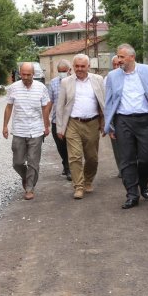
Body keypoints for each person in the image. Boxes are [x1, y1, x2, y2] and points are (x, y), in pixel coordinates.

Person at [104, 44, 148, 209]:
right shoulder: (112, 76)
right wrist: (109, 125)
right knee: (127, 159)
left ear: (132, 57)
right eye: (118, 57)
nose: (119, 60)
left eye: (122, 57)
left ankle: (143, 183)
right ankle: (132, 194)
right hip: (122, 120)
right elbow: (109, 102)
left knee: (146, 159)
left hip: (144, 120)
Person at [56, 54, 106, 199]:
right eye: (77, 66)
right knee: (75, 157)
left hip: (92, 123)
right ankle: (78, 186)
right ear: (73, 67)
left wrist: (104, 123)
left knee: (92, 158)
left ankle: (88, 180)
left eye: (82, 66)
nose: (79, 69)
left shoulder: (98, 80)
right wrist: (60, 128)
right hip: (73, 123)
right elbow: (60, 106)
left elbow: (103, 103)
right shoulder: (66, 82)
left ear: (88, 67)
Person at [3, 62, 51, 200]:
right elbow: (8, 107)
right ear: (19, 74)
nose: (25, 77)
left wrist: (46, 126)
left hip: (36, 130)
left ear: (33, 75)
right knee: (17, 162)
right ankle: (26, 176)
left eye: (28, 75)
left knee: (33, 161)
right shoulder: (13, 88)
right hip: (19, 130)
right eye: (23, 74)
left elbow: (45, 108)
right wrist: (5, 126)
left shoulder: (41, 88)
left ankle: (29, 188)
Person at [48, 59, 72, 181]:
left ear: (69, 71)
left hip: (72, 121)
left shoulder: (74, 82)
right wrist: (46, 120)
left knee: (73, 145)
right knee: (61, 146)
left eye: (64, 71)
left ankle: (70, 168)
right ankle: (66, 163)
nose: (61, 73)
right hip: (56, 121)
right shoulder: (53, 83)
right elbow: (49, 102)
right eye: (59, 71)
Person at [109, 55, 122, 178]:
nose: (117, 67)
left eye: (120, 64)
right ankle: (122, 169)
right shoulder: (108, 79)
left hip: (128, 117)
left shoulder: (130, 77)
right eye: (115, 64)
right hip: (114, 117)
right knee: (117, 145)